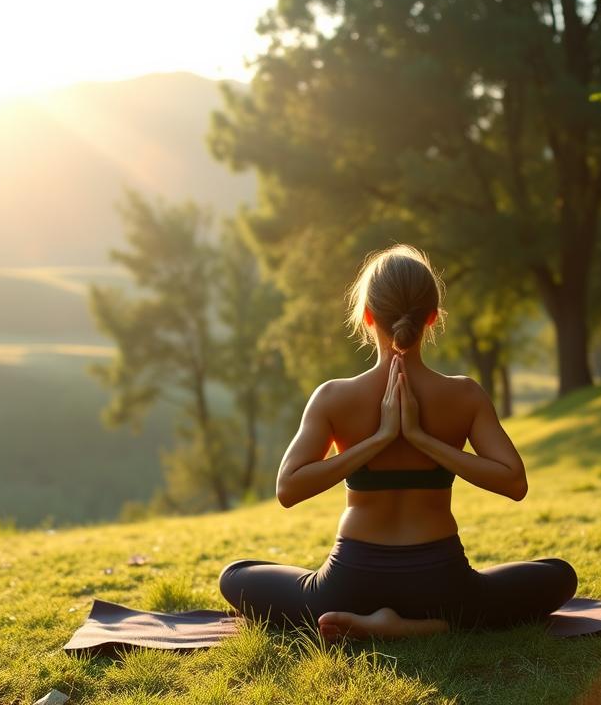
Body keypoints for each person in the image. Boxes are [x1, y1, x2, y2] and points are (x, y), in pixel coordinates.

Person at [219, 245, 577, 640]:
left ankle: (376, 622)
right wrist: (411, 439)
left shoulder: (334, 397)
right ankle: (433, 625)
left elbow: (288, 488)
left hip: (349, 586)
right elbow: (514, 482)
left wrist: (387, 440)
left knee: (235, 576)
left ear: (368, 316)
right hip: (442, 586)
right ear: (432, 317)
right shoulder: (464, 396)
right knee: (559, 576)